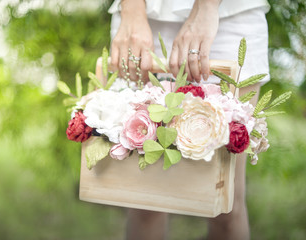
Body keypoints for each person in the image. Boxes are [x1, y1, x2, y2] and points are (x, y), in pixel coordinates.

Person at [109, 0, 270, 239]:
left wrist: (206, 7)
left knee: (225, 204)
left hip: (227, 15)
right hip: (144, 19)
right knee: (144, 202)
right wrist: (131, 9)